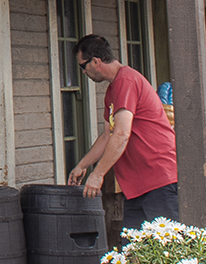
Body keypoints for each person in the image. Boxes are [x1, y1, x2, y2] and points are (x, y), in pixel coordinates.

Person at [67, 34, 179, 231]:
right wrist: (82, 166)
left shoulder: (126, 81)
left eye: (83, 66)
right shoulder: (113, 89)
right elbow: (107, 135)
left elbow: (121, 133)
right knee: (132, 251)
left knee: (170, 247)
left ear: (96, 61)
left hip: (158, 178)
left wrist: (98, 174)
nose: (83, 72)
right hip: (138, 184)